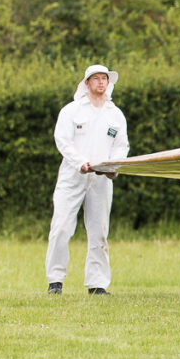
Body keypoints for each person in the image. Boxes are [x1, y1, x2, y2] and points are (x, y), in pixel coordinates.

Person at [45, 65, 130, 295]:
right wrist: (80, 162)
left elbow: (121, 145)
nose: (101, 82)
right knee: (61, 227)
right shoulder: (72, 111)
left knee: (99, 231)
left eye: (105, 78)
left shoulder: (115, 114)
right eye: (96, 78)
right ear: (86, 83)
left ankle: (97, 284)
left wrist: (114, 166)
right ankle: (55, 281)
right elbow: (62, 141)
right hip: (73, 175)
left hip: (102, 179)